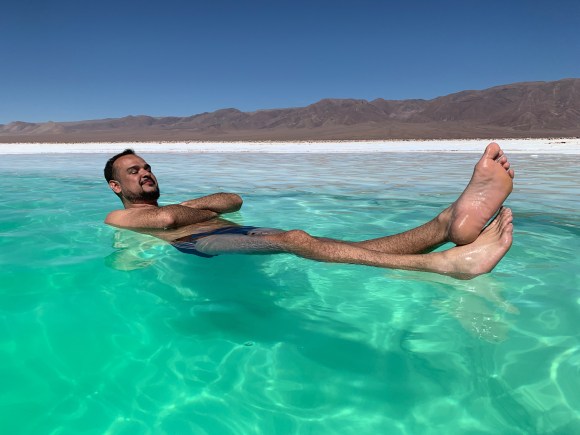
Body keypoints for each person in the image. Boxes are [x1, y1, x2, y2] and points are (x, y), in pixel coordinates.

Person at [104, 143, 514, 280]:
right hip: (197, 243)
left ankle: (444, 224)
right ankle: (443, 266)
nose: (146, 173)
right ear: (116, 187)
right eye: (134, 171)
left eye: (148, 167)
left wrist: (188, 207)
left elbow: (233, 199)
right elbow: (165, 221)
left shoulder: (182, 204)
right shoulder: (118, 217)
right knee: (298, 240)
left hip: (234, 228)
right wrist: (189, 210)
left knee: (335, 244)